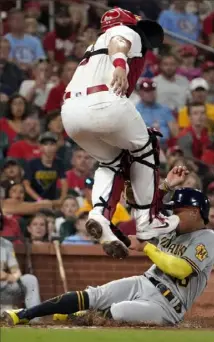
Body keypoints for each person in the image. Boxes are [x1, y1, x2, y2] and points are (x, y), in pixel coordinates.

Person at [3, 188, 214, 326]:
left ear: (194, 212)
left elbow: (180, 269)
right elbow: (149, 210)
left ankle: (76, 316)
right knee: (94, 294)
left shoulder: (208, 238)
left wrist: (146, 248)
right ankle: (24, 313)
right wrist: (165, 186)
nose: (172, 214)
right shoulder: (169, 227)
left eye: (178, 210)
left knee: (119, 310)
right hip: (144, 282)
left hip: (168, 306)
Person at [60, 7, 171, 259]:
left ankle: (99, 214)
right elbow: (119, 43)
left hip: (70, 113)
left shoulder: (92, 47)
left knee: (111, 161)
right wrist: (120, 66)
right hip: (103, 102)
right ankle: (147, 219)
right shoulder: (123, 30)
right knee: (146, 146)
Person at [23, 132, 68, 207]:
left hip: (51, 202)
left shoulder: (59, 163)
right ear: (40, 147)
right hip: (33, 203)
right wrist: (40, 200)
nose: (49, 147)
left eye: (52, 144)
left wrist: (62, 199)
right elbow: (26, 185)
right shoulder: (32, 163)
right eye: (45, 144)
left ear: (56, 147)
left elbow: (64, 183)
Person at [0, 237, 41, 312]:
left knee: (30, 279)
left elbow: (16, 272)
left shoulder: (6, 244)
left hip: (4, 288)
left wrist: (9, 276)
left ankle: (35, 318)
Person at [136, 79, 179, 145]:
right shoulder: (136, 111)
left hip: (165, 145)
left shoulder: (164, 109)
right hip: (144, 147)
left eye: (153, 90)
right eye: (147, 91)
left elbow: (175, 133)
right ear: (140, 93)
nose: (151, 94)